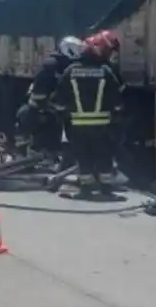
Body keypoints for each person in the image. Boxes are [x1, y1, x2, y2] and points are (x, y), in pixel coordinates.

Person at [50, 34, 123, 196]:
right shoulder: (106, 72)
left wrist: (63, 117)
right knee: (104, 156)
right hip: (102, 127)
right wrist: (117, 118)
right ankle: (106, 188)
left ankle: (86, 188)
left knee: (84, 157)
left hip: (77, 126)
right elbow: (117, 99)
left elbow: (58, 100)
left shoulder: (70, 71)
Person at [15, 36, 83, 160]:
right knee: (29, 117)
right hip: (42, 107)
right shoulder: (50, 66)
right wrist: (52, 106)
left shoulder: (73, 66)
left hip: (64, 107)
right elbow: (39, 94)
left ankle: (54, 152)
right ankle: (24, 152)